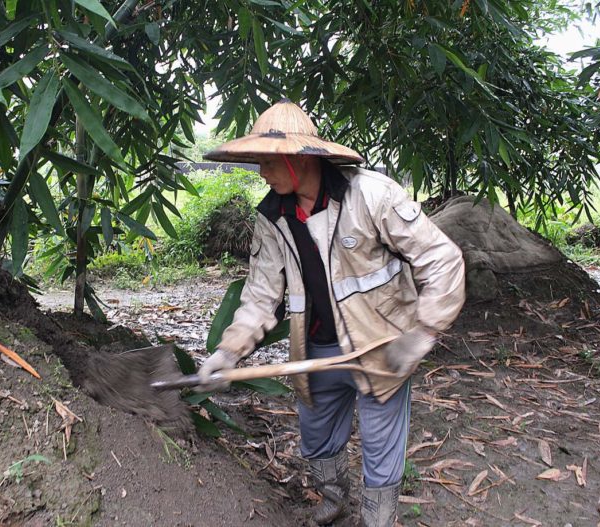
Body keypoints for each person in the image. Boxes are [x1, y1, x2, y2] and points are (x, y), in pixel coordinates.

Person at [198, 99, 465, 526]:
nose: (261, 173)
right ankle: (334, 498)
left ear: (298, 157)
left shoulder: (370, 195)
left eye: (267, 162)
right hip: (316, 350)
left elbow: (442, 259)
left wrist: (422, 332)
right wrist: (228, 353)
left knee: (381, 449)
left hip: (380, 346)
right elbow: (261, 295)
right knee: (317, 440)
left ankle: (378, 520)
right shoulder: (273, 217)